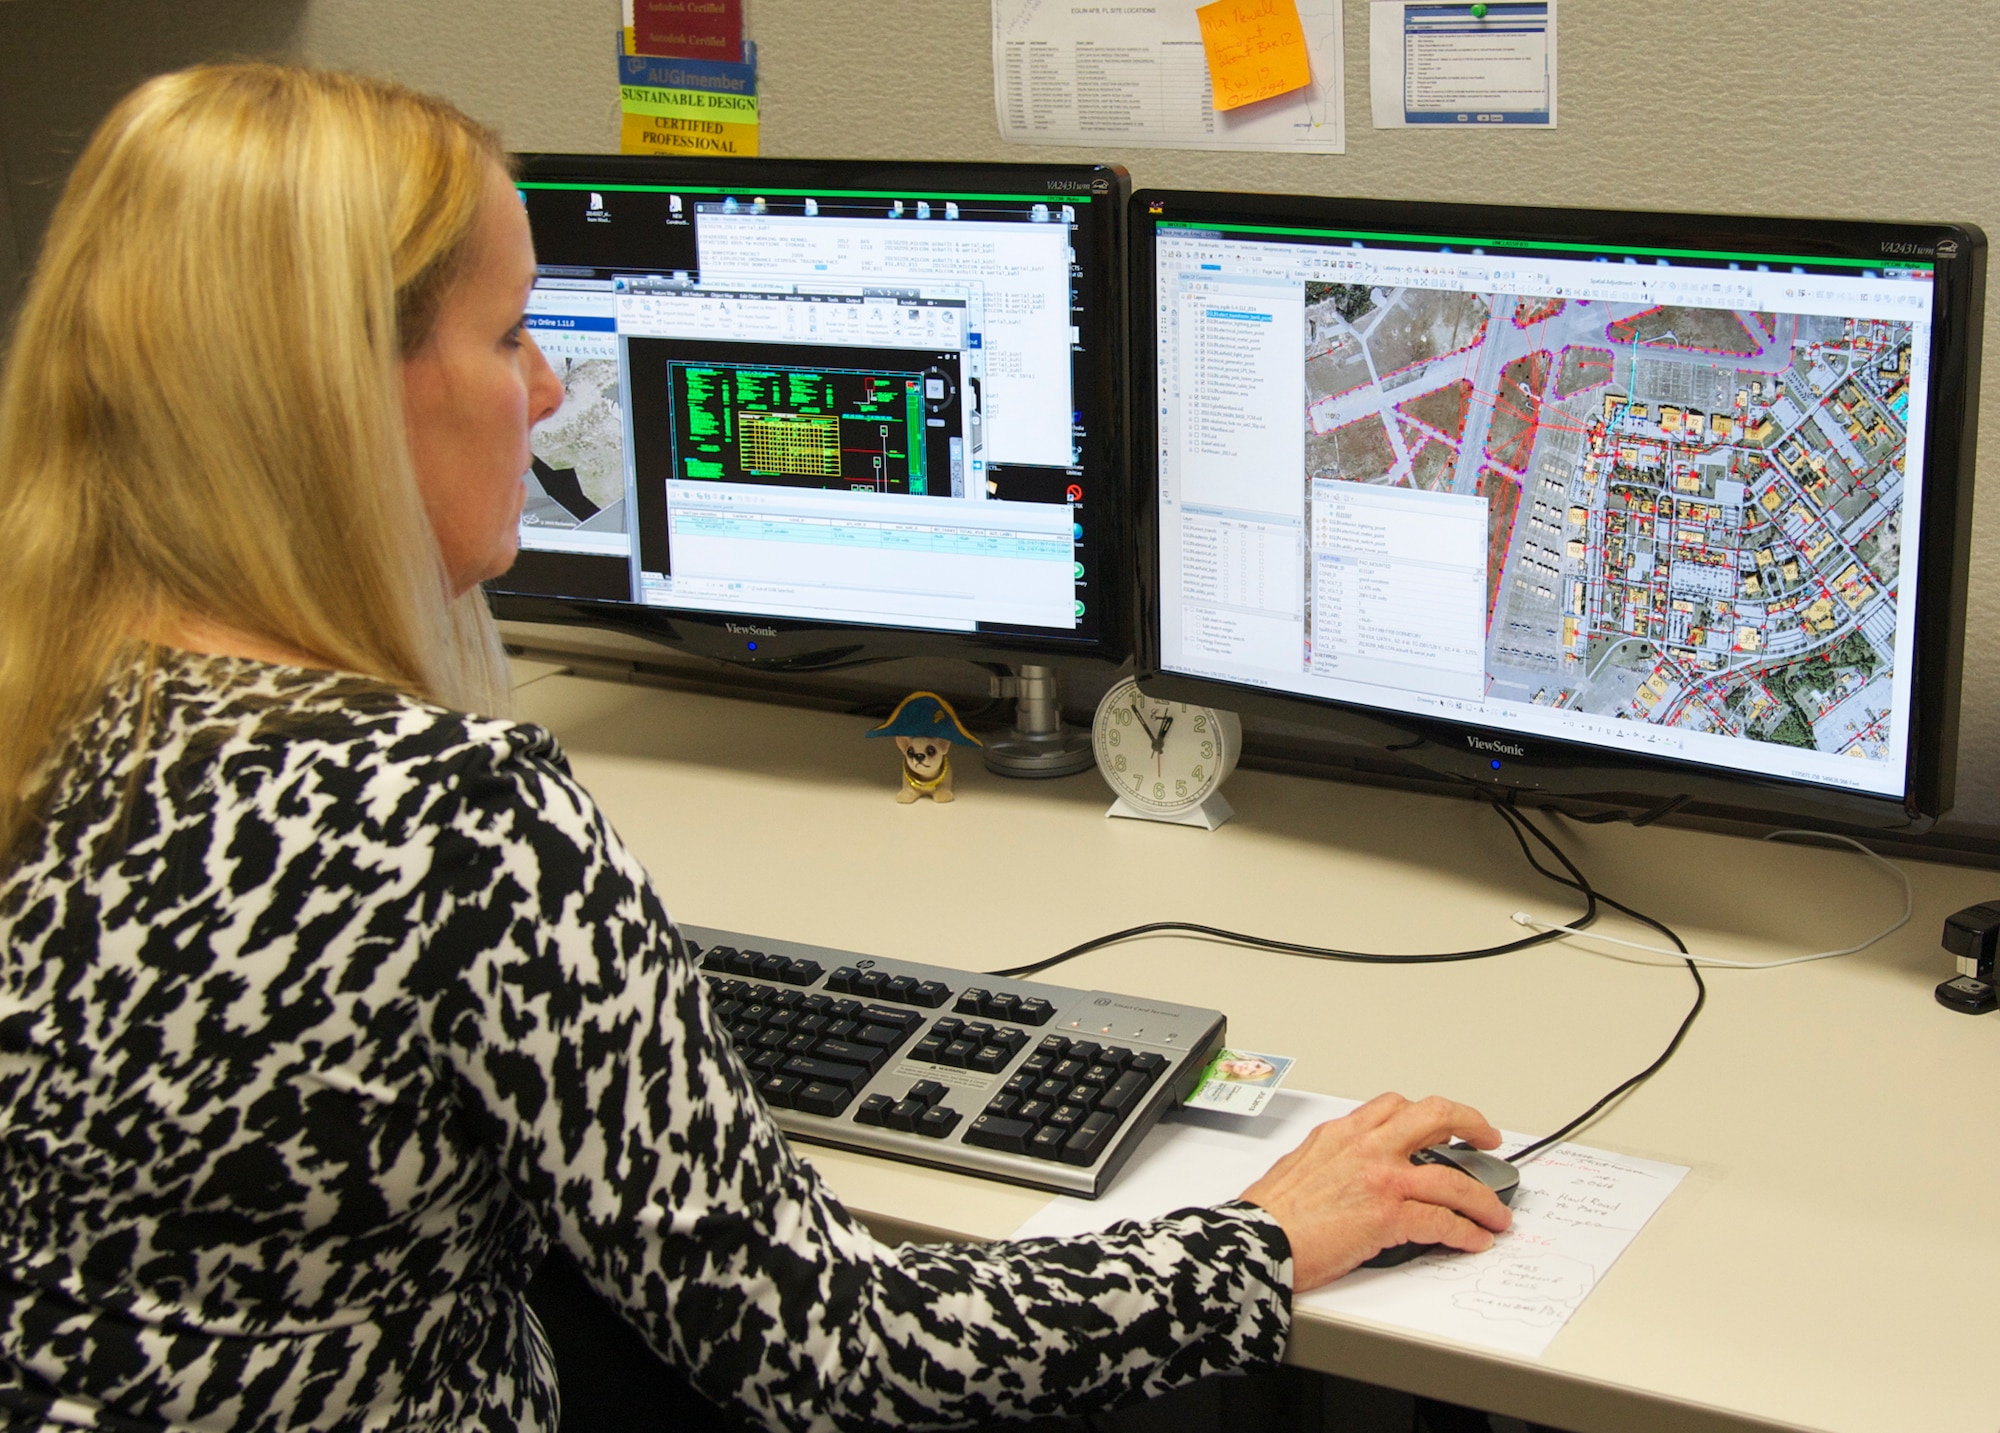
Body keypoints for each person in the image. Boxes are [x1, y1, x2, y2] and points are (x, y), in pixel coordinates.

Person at [0, 64, 1511, 1432]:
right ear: (338, 393)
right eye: (513, 331)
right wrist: (1259, 1236)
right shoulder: (443, 818)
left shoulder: (41, 718)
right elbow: (826, 1348)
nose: (548, 391)